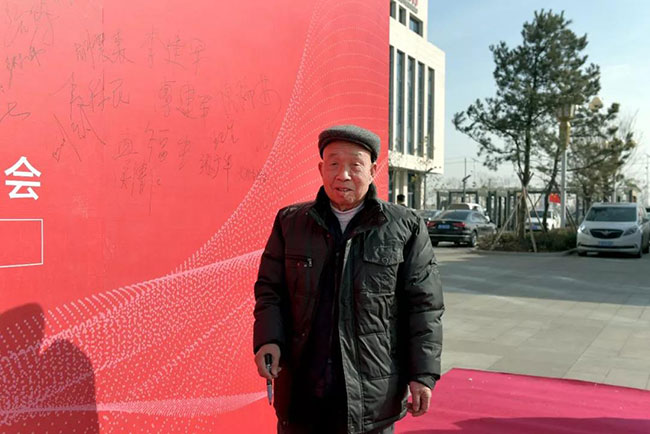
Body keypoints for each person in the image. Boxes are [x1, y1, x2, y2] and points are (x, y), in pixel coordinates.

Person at [253, 124, 444, 434]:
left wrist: (423, 374)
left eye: (355, 165)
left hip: (371, 395)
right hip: (303, 392)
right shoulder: (290, 223)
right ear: (321, 169)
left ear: (373, 170)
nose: (343, 175)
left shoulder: (404, 226)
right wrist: (268, 339)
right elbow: (270, 292)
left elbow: (424, 306)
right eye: (333, 164)